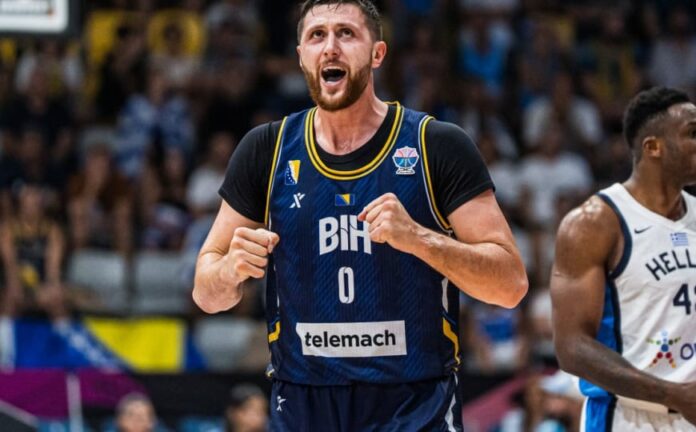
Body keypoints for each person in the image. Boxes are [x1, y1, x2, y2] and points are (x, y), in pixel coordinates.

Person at [193, 1, 528, 430]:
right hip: (303, 403)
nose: (330, 47)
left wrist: (420, 238)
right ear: (301, 56)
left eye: (346, 33)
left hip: (412, 403)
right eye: (317, 35)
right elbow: (206, 293)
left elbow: (510, 285)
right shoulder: (266, 150)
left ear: (377, 53)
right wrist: (230, 270)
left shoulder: (436, 144)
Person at [550, 86, 696, 431]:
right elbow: (571, 347)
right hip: (628, 418)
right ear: (653, 147)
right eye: (692, 132)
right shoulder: (594, 223)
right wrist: (673, 395)